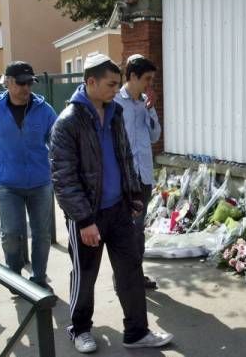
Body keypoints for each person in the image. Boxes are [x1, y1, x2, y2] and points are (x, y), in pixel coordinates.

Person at [49, 54, 173, 353]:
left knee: (130, 269)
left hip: (118, 210)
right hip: (88, 216)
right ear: (90, 82)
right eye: (111, 84)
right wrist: (84, 220)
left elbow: (125, 156)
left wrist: (132, 197)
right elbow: (63, 178)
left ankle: (137, 332)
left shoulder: (114, 112)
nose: (116, 89)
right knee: (86, 275)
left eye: (118, 83)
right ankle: (79, 330)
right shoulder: (67, 123)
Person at [0, 61, 56, 292]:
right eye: (21, 83)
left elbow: (59, 142)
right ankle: (14, 275)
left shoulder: (45, 110)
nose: (26, 88)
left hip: (41, 183)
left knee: (42, 233)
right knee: (11, 233)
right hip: (7, 184)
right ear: (7, 82)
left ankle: (39, 280)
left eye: (30, 83)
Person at [114, 54, 161, 290]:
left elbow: (155, 136)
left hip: (143, 177)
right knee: (124, 231)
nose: (149, 85)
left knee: (138, 231)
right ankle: (123, 277)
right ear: (132, 76)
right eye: (147, 79)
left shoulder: (145, 103)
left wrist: (151, 111)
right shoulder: (114, 102)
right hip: (122, 179)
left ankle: (136, 274)